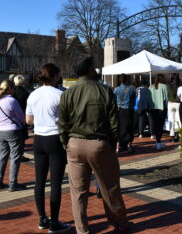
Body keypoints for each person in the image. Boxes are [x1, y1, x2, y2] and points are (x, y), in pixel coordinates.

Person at [59, 56, 129, 234]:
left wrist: (66, 143)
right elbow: (114, 123)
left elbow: (62, 123)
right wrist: (111, 144)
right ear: (90, 69)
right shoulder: (105, 91)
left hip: (74, 144)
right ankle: (119, 222)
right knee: (110, 187)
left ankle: (82, 229)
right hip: (99, 143)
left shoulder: (68, 93)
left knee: (78, 192)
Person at [26, 63, 70, 233]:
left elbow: (28, 120)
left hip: (38, 139)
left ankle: (42, 218)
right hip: (55, 138)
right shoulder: (61, 94)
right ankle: (54, 221)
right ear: (54, 76)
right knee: (56, 182)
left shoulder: (33, 95)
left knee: (40, 181)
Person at [0, 80, 26, 192]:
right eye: (13, 88)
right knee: (15, 157)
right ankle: (13, 183)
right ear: (10, 89)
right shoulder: (12, 101)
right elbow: (22, 118)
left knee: (2, 156)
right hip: (12, 130)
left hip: (0, 131)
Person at [114, 74, 136, 153]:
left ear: (120, 80)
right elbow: (133, 101)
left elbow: (114, 101)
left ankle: (117, 146)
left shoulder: (116, 90)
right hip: (128, 110)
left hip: (119, 110)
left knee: (119, 127)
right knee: (129, 127)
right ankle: (129, 146)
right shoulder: (132, 89)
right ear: (126, 80)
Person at [149, 74, 168, 150]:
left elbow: (148, 98)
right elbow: (166, 98)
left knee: (155, 124)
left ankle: (158, 141)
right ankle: (159, 142)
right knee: (160, 125)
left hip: (152, 108)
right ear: (162, 79)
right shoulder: (164, 86)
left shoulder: (151, 86)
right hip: (161, 108)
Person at [13, 74, 30, 162]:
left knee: (15, 137)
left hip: (13, 116)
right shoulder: (25, 92)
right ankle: (20, 154)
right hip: (22, 114)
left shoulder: (12, 91)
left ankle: (15, 154)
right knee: (22, 137)